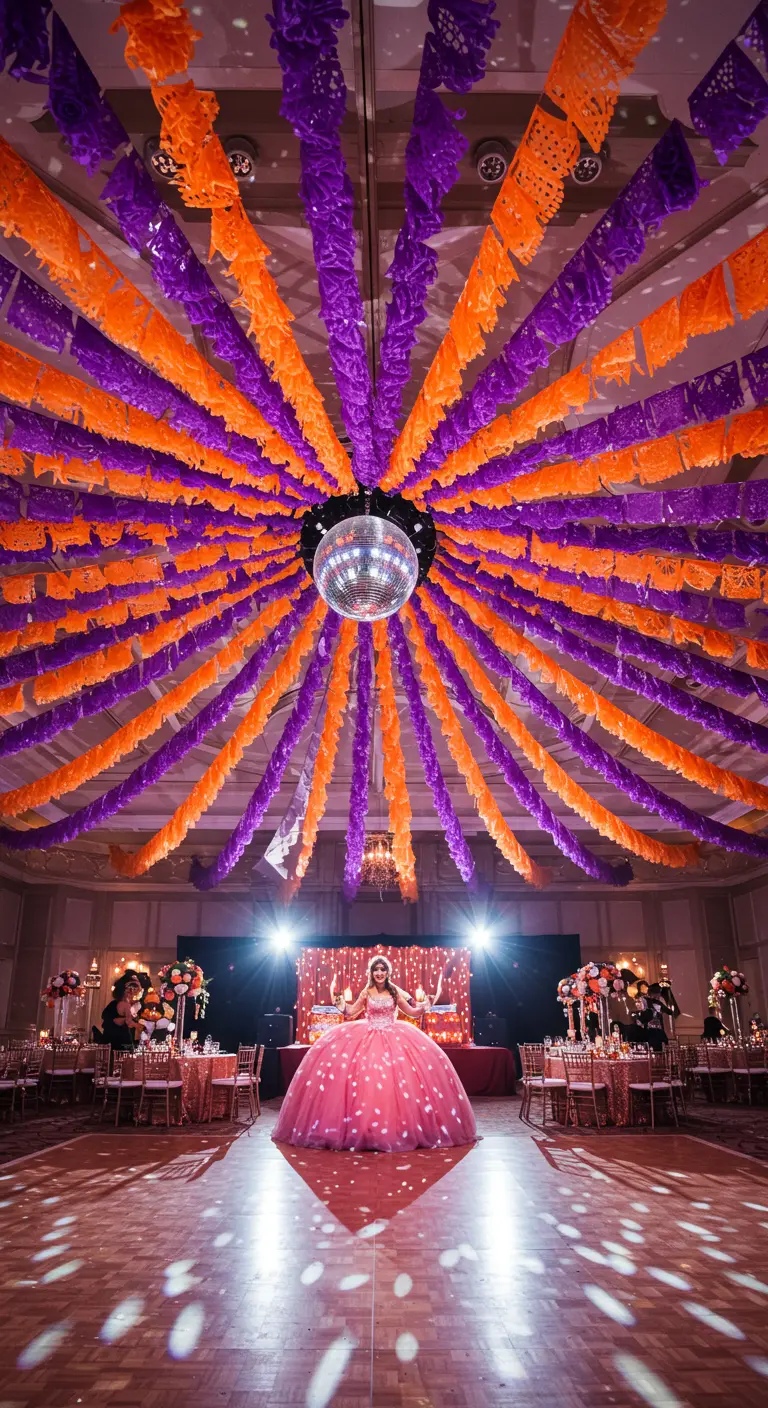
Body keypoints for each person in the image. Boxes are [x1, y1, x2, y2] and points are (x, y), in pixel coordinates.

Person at [272, 954, 477, 1152]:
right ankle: (367, 1129)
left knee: (393, 1085)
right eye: (376, 969)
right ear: (371, 972)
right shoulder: (367, 991)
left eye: (383, 969)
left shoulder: (395, 992)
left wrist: (425, 1007)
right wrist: (341, 1005)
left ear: (388, 972)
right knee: (367, 1085)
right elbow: (351, 1012)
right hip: (367, 1038)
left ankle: (395, 1129)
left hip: (394, 1038)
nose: (379, 973)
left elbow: (410, 1012)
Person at [99, 970, 147, 1050]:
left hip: (110, 1040)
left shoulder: (115, 1003)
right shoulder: (125, 1005)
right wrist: (140, 1026)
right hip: (120, 1041)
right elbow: (128, 1022)